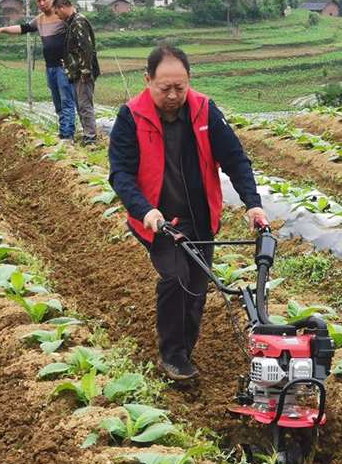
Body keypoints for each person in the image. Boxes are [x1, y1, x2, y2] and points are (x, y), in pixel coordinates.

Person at [108, 44, 267, 381]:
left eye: (180, 87)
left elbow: (236, 160)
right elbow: (120, 174)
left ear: (188, 81)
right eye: (165, 87)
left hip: (201, 217)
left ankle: (184, 352)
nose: (173, 95)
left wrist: (253, 203)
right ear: (148, 80)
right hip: (160, 221)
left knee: (197, 287)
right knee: (175, 278)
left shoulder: (205, 111)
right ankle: (172, 356)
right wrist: (145, 210)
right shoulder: (131, 116)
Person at [0, 0, 76, 140]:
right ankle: (63, 132)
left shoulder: (62, 17)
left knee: (67, 100)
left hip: (63, 67)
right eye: (38, 1)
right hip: (50, 68)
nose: (42, 3)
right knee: (58, 102)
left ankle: (69, 134)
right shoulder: (39, 19)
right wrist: (3, 29)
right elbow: (23, 28)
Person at [52, 0, 100, 145]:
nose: (57, 16)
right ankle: (87, 135)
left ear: (62, 7)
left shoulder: (79, 22)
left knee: (85, 105)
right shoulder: (72, 22)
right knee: (80, 105)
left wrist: (86, 71)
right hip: (76, 72)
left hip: (83, 72)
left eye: (56, 12)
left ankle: (90, 138)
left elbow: (86, 48)